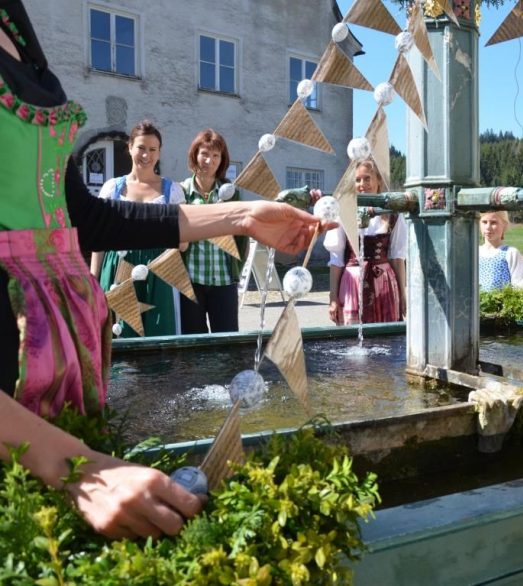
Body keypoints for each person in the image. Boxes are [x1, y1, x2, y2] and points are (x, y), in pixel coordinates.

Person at [0, 1, 333, 541]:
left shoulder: (16, 21)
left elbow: (87, 217)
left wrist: (244, 216)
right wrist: (75, 469)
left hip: (61, 379)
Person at [90, 121, 186, 337]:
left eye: (153, 149)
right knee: (117, 337)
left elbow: (183, 243)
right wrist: (93, 277)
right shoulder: (112, 188)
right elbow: (99, 238)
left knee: (159, 339)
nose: (146, 155)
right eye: (141, 147)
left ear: (159, 153)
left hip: (159, 272)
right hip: (117, 269)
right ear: (130, 147)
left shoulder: (173, 191)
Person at [322, 158, 407, 325]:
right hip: (352, 283)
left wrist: (403, 295)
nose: (362, 184)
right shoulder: (343, 214)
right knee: (353, 342)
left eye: (367, 178)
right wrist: (333, 298)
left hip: (384, 283)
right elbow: (337, 259)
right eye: (357, 179)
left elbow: (397, 258)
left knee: (385, 342)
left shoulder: (392, 214)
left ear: (378, 180)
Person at [179, 129, 248, 334]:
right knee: (193, 345)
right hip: (191, 283)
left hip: (224, 280)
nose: (209, 160)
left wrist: (237, 267)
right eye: (204, 154)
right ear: (195, 155)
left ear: (222, 160)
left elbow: (242, 237)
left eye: (215, 155)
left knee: (226, 344)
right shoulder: (181, 192)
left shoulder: (231, 195)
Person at [478, 210, 523, 291]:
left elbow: (518, 287)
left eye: (493, 222)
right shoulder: (475, 252)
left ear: (504, 225)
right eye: (484, 222)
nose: (488, 227)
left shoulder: (510, 253)